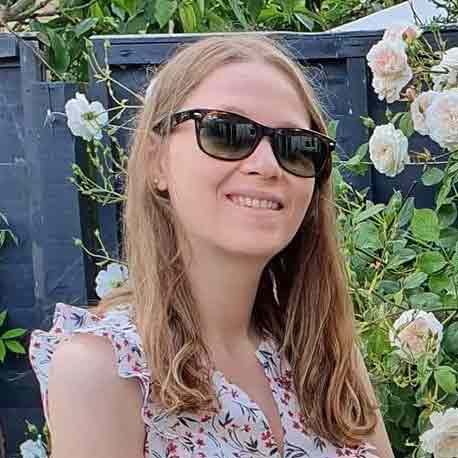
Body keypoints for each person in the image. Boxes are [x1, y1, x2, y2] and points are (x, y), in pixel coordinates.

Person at [29, 34, 395, 458]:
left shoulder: (326, 361)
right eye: (225, 132)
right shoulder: (107, 369)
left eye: (296, 145)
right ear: (156, 161)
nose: (267, 165)